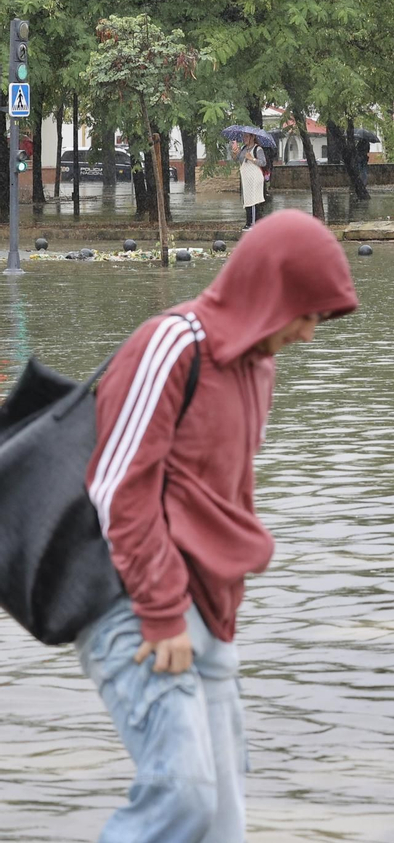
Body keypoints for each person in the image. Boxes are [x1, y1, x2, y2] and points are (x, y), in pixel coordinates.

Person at [77, 210, 358, 843]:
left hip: (209, 614)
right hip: (137, 608)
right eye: (308, 314)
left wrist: (219, 613)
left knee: (223, 822)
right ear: (270, 293)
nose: (311, 334)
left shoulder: (259, 366)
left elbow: (226, 497)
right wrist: (159, 610)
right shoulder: (172, 344)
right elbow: (117, 486)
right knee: (183, 801)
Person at [237, 134, 266, 231]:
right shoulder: (243, 148)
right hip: (246, 178)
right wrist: (235, 153)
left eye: (246, 137)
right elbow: (240, 160)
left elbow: (263, 162)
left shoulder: (257, 149)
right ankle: (248, 222)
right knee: (247, 200)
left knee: (253, 199)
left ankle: (254, 223)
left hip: (255, 177)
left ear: (252, 137)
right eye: (244, 137)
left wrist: (251, 158)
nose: (244, 139)